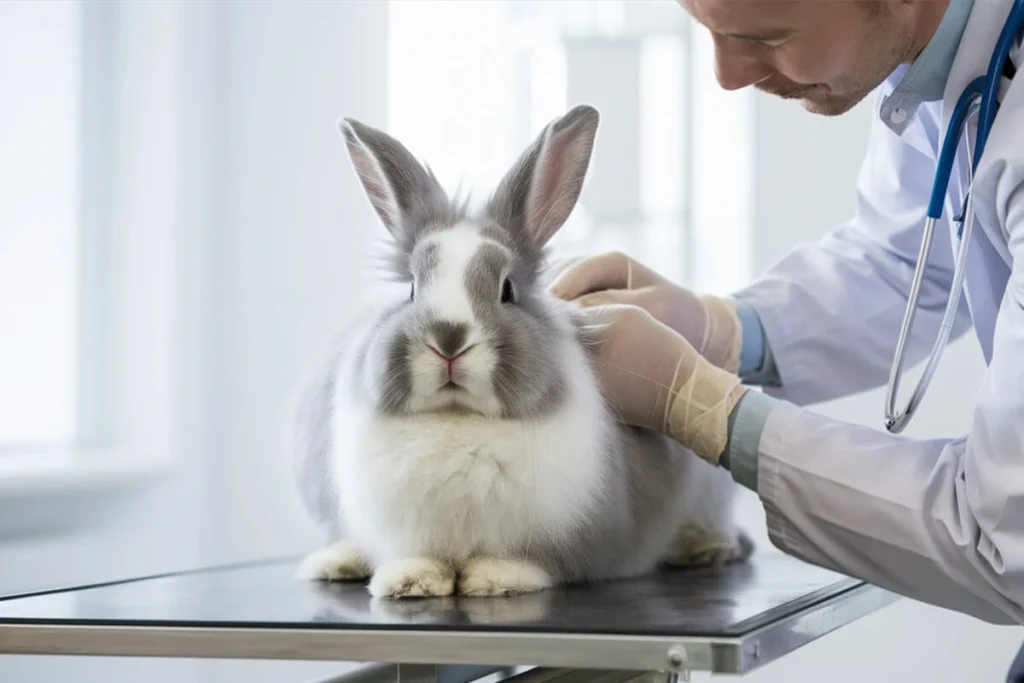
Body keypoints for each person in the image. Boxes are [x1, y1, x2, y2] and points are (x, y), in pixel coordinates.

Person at [550, 0, 1024, 676]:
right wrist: (726, 329)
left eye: (764, 37)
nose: (726, 75)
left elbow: (1000, 533)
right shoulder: (939, 63)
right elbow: (902, 263)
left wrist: (703, 409)